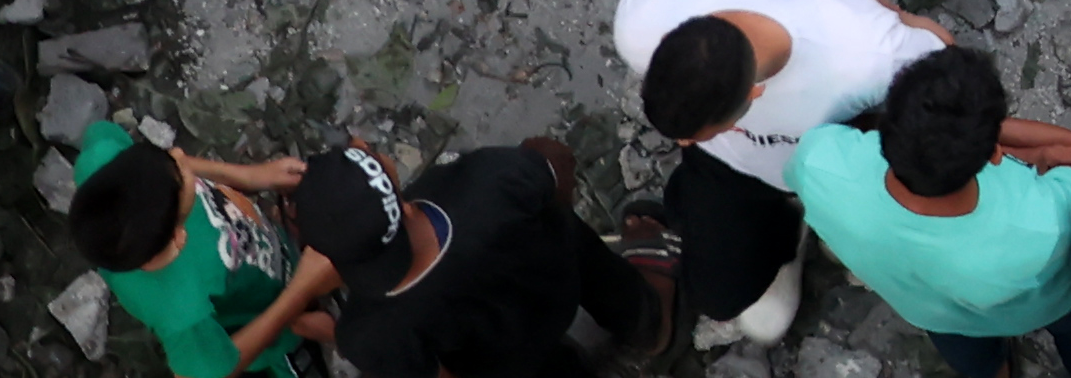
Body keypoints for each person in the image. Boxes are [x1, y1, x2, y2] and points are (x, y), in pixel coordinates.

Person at [615, 0, 955, 358]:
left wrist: (884, 11)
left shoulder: (861, 52)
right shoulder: (645, 21)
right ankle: (791, 230)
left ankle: (822, 218)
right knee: (718, 299)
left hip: (831, 164)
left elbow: (947, 63)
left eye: (701, 133)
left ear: (754, 94)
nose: (683, 143)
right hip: (730, 168)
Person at [789, 49, 1071, 378]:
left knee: (970, 355)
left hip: (933, 313)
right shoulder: (1041, 223)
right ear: (996, 153)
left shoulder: (817, 163)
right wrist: (1040, 153)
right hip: (1055, 303)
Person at [292, 135, 669, 378]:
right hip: (563, 275)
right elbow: (556, 166)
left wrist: (333, 332)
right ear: (401, 206)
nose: (363, 142)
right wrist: (550, 185)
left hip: (510, 363)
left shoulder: (367, 332)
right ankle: (649, 326)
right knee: (604, 275)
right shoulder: (488, 180)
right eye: (370, 154)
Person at [67, 124, 336, 377]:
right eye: (183, 177)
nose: (179, 155)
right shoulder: (181, 314)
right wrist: (299, 296)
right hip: (271, 325)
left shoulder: (102, 163)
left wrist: (251, 176)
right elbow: (211, 371)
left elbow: (174, 163)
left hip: (274, 256)